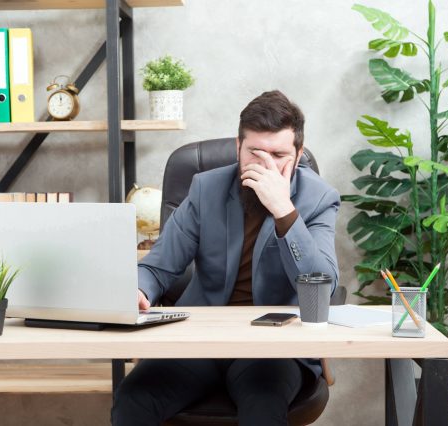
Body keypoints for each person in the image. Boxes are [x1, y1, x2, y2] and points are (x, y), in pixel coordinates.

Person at [111, 90, 340, 426]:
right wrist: (139, 290)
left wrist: (284, 211)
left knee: (263, 407)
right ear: (238, 148)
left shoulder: (319, 198)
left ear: (298, 154)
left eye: (278, 155)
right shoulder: (206, 188)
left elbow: (324, 287)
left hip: (272, 347)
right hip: (202, 338)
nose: (265, 165)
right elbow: (157, 266)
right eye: (255, 153)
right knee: (133, 400)